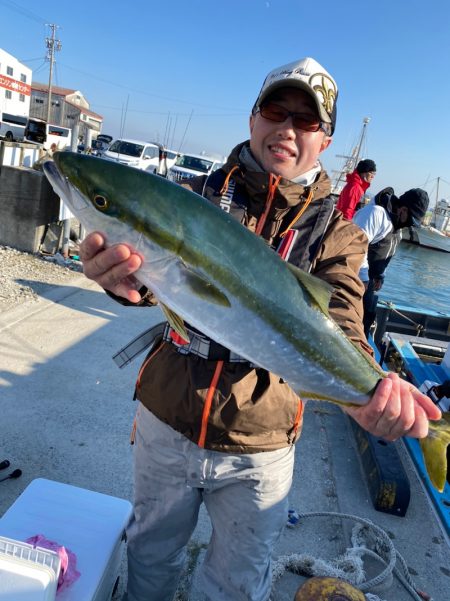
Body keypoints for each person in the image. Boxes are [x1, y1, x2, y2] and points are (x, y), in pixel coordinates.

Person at [78, 57, 440, 601]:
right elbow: (155, 284)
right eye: (277, 110)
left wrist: (369, 386)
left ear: (327, 139)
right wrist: (118, 281)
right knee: (149, 554)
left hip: (261, 444)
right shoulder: (195, 196)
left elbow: (342, 314)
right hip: (166, 419)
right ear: (253, 118)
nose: (288, 129)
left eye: (307, 120)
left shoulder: (339, 234)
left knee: (234, 583)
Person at [353, 187, 430, 337]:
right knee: (354, 323)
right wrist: (363, 278)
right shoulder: (375, 214)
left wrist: (381, 275)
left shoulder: (397, 226)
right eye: (411, 219)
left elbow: (386, 251)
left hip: (369, 282)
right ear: (402, 209)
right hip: (356, 279)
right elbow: (356, 245)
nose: (410, 225)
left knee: (367, 318)